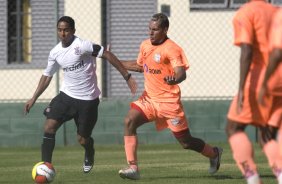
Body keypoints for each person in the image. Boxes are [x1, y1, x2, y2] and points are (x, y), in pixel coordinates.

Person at [24, 16, 137, 173]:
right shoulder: (55, 52)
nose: (63, 33)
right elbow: (47, 76)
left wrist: (127, 77)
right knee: (49, 127)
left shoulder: (83, 45)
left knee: (82, 139)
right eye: (60, 30)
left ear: (73, 31)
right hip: (66, 96)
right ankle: (46, 166)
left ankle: (89, 151)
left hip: (88, 100)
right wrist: (33, 98)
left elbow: (108, 55)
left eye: (66, 30)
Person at [117, 13, 223, 180]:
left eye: (155, 29)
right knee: (129, 121)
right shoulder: (145, 45)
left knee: (186, 142)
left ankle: (214, 153)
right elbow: (139, 66)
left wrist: (175, 78)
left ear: (165, 30)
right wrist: (114, 60)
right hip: (150, 99)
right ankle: (133, 168)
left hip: (169, 103)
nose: (151, 33)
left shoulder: (172, 48)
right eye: (149, 29)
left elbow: (181, 73)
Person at [225, 1, 281, 183]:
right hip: (279, 80)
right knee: (266, 133)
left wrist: (241, 88)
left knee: (233, 128)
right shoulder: (276, 12)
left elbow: (247, 50)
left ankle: (252, 176)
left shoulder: (245, 13)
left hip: (259, 80)